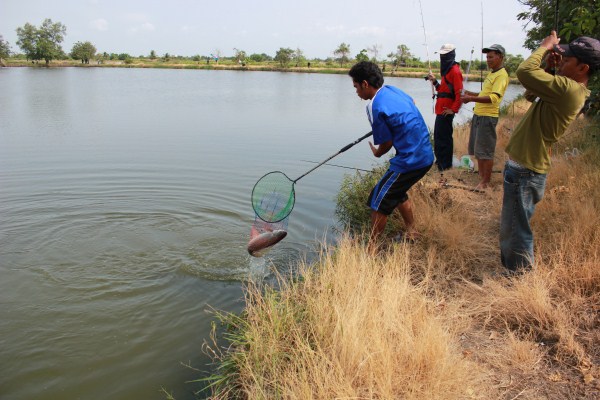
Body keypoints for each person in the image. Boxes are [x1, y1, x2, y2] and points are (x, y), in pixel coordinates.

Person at [499, 32, 599, 274]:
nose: (561, 61)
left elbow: (524, 72)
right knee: (513, 224)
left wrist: (544, 47)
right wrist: (549, 67)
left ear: (583, 67)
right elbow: (530, 93)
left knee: (516, 227)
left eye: (567, 60)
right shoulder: (565, 88)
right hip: (525, 167)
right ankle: (515, 271)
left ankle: (519, 277)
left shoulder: (570, 90)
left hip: (526, 169)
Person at [348, 61, 434, 248]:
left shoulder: (374, 106)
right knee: (396, 191)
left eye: (356, 87)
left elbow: (386, 144)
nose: (356, 92)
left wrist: (377, 153)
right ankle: (411, 231)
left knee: (378, 200)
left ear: (365, 84)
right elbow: (412, 102)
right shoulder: (392, 90)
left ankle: (371, 249)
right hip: (425, 154)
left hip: (411, 160)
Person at [462, 44, 509, 190]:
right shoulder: (492, 73)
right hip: (479, 115)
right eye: (487, 57)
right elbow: (484, 94)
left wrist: (470, 99)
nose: (488, 60)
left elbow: (494, 98)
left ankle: (485, 182)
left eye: (491, 57)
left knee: (486, 151)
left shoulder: (502, 75)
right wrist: (469, 93)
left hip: (487, 117)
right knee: (478, 150)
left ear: (500, 57)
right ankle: (482, 177)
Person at [427, 44, 463, 171]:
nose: (442, 57)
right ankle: (440, 162)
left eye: (444, 55)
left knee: (444, 139)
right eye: (441, 55)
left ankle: (445, 165)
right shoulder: (447, 71)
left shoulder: (455, 71)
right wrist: (434, 81)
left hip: (446, 111)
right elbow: (443, 90)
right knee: (438, 137)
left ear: (451, 55)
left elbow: (460, 93)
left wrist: (453, 110)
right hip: (440, 110)